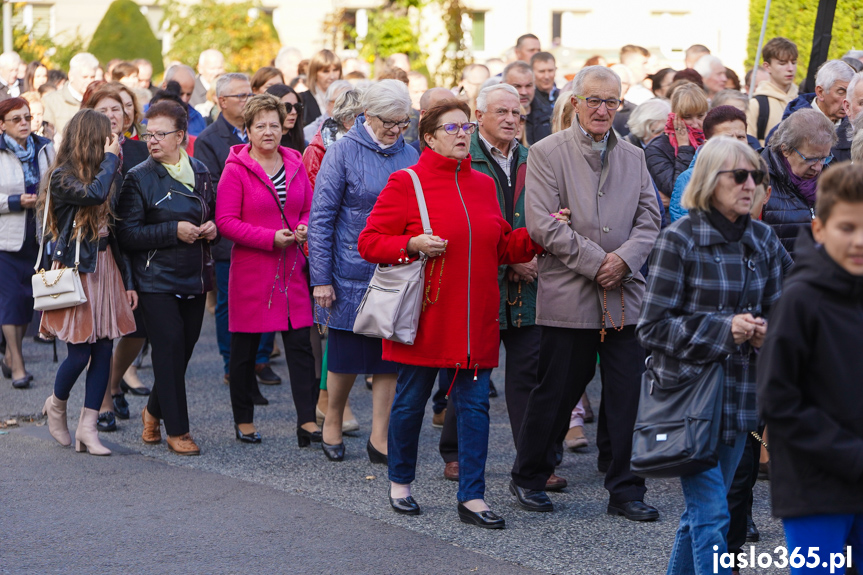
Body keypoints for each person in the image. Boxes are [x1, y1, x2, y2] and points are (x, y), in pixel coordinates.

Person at [358, 98, 540, 527]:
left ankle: (472, 497)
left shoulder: (482, 184)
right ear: (429, 137)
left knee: (475, 408)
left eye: (465, 127)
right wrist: (411, 245)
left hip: (476, 319)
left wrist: (540, 234)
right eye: (452, 128)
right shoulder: (407, 182)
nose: (462, 134)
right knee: (410, 403)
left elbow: (503, 247)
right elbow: (369, 242)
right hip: (426, 317)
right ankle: (400, 484)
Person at [511, 66, 661, 520]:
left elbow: (650, 219)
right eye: (594, 100)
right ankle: (530, 475)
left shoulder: (634, 156)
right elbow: (541, 224)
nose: (602, 110)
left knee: (627, 398)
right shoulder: (546, 152)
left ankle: (626, 490)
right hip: (570, 293)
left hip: (624, 296)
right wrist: (601, 263)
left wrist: (625, 260)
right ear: (574, 102)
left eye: (611, 102)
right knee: (556, 393)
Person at [638, 136, 783, 575]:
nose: (749, 184)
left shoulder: (763, 238)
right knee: (713, 515)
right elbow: (652, 328)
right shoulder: (678, 239)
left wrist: (765, 334)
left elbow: (788, 311)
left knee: (702, 515)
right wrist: (725, 330)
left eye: (755, 176)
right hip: (686, 400)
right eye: (738, 175)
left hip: (741, 398)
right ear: (708, 180)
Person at [432, 83, 566, 488]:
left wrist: (528, 257)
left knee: (530, 374)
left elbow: (547, 212)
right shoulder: (461, 156)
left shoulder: (534, 157)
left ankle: (534, 462)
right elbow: (454, 219)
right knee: (469, 367)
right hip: (480, 283)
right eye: (502, 113)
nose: (512, 120)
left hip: (528, 286)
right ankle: (454, 453)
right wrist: (507, 260)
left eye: (518, 114)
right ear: (480, 116)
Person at [758, 163, 863, 575]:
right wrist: (851, 454)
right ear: (819, 230)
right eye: (847, 228)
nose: (859, 241)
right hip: (815, 487)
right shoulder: (800, 300)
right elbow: (779, 400)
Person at [308, 80, 418, 463]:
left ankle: (380, 435)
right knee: (345, 355)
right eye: (389, 121)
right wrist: (320, 279)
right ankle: (333, 420)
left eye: (403, 122)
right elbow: (320, 219)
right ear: (366, 116)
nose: (396, 130)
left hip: (394, 268)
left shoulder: (411, 153)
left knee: (388, 354)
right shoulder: (342, 153)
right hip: (348, 270)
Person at [215, 94, 319, 445]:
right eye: (260, 125)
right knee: (244, 349)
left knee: (300, 345)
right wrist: (269, 238)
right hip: (253, 268)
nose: (269, 131)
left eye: (274, 124)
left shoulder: (294, 161)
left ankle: (307, 420)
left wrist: (302, 227)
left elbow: (306, 207)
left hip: (291, 267)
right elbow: (226, 222)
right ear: (247, 130)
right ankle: (243, 419)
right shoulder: (235, 169)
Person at [116, 101, 217, 456]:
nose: (152, 141)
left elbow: (214, 213)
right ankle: (178, 430)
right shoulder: (139, 176)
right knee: (169, 347)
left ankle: (152, 411)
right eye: (148, 134)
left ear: (180, 137)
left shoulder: (201, 170)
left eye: (160, 134)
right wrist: (173, 230)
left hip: (194, 275)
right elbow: (126, 235)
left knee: (180, 353)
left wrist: (212, 227)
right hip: (155, 278)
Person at [39, 109, 137, 455]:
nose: (113, 140)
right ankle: (57, 404)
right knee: (79, 353)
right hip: (75, 268)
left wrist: (128, 280)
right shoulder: (62, 176)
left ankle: (88, 427)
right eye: (106, 135)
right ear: (91, 138)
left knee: (105, 348)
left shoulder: (108, 173)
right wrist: (111, 159)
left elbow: (117, 232)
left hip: (105, 265)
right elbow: (93, 194)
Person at [195, 73, 276, 390]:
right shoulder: (209, 140)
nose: (247, 100)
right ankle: (233, 364)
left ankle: (262, 359)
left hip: (268, 230)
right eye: (240, 96)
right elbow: (211, 190)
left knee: (269, 295)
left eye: (249, 94)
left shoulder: (264, 130)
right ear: (221, 101)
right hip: (230, 235)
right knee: (231, 302)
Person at [80, 83, 151, 430]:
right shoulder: (82, 152)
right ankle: (103, 400)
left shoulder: (139, 150)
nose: (113, 115)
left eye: (119, 109)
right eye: (105, 109)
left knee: (139, 325)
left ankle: (113, 380)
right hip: (103, 249)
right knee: (102, 329)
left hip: (138, 244)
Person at [0, 97, 55, 389]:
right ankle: (18, 364)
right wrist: (13, 201)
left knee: (27, 300)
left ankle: (10, 354)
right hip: (5, 238)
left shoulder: (45, 147)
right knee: (10, 300)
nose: (24, 123)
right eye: (16, 119)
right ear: (2, 125)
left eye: (27, 117)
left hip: (38, 233)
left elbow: (56, 181)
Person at [762, 108, 837, 259]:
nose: (818, 167)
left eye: (824, 158)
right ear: (785, 150)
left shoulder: (833, 181)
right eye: (810, 159)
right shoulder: (759, 179)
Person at [669, 105, 751, 222]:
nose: (735, 143)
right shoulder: (689, 179)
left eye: (740, 137)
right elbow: (682, 228)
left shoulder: (755, 174)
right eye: (726, 138)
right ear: (708, 144)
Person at [771, 60, 854, 164]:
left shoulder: (856, 131)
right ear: (820, 92)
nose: (848, 100)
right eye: (841, 92)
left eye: (851, 93)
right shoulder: (785, 130)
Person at [645, 83, 708, 208]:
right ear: (675, 117)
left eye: (700, 116)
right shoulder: (657, 149)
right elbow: (677, 190)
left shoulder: (711, 141)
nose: (695, 124)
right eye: (687, 117)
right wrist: (684, 147)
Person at [302, 88, 362, 188]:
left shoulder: (369, 142)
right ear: (346, 120)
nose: (367, 122)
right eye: (361, 117)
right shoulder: (316, 151)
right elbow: (314, 195)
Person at [746, 38, 799, 146]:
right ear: (767, 66)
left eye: (793, 62)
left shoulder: (802, 99)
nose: (790, 68)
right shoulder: (756, 104)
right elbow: (749, 144)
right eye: (782, 63)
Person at [42, 53, 98, 141]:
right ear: (71, 76)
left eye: (92, 77)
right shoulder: (51, 101)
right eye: (85, 77)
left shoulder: (99, 100)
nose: (89, 81)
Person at [160, 65, 208, 137]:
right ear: (164, 86)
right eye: (180, 93)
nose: (184, 99)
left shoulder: (197, 118)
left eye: (188, 94)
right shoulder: (146, 115)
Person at [300, 50, 342, 128]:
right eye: (325, 71)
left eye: (335, 70)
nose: (332, 76)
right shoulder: (302, 99)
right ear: (314, 73)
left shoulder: (348, 98)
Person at [409, 88, 457, 154]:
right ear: (425, 115)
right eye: (443, 110)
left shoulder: (466, 151)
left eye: (455, 109)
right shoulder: (412, 154)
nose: (451, 115)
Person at [502, 62, 539, 144]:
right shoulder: (494, 119)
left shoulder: (548, 116)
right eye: (517, 86)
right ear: (502, 85)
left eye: (528, 86)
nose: (524, 92)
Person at [264, 83, 305, 152]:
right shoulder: (260, 145)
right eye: (287, 107)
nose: (294, 112)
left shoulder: (304, 145)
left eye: (297, 107)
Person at [529, 52, 559, 144]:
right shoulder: (528, 100)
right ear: (532, 72)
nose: (546, 76)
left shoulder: (563, 95)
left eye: (550, 71)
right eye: (541, 71)